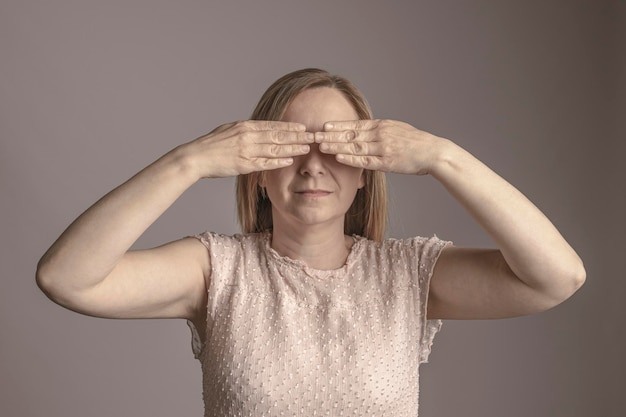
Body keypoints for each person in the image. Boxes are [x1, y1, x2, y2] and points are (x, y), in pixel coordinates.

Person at [36, 68, 586, 416]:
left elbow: (557, 277)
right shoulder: (216, 269)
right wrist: (191, 160)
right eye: (292, 144)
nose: (314, 166)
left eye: (340, 146)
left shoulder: (408, 273)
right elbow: (66, 278)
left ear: (369, 168)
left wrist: (443, 157)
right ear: (256, 167)